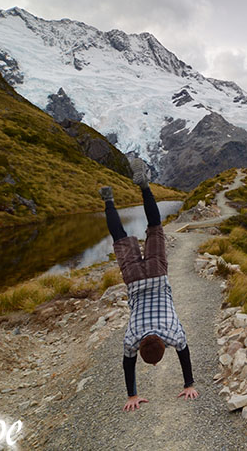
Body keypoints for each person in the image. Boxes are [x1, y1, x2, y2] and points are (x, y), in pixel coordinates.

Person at [99, 158, 199, 411]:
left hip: (157, 273)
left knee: (155, 228)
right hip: (133, 279)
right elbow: (128, 363)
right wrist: (131, 394)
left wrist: (189, 384)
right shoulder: (132, 338)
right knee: (119, 237)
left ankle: (144, 187)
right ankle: (108, 199)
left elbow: (184, 354)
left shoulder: (173, 334)